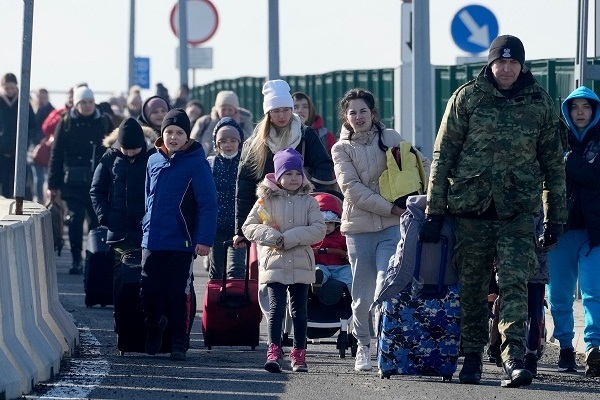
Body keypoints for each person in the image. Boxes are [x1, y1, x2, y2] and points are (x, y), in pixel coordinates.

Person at [420, 35, 566, 387]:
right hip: (471, 210)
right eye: (500, 62)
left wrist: (556, 216)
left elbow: (553, 164)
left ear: (522, 65)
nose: (506, 69)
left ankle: (514, 358)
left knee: (515, 283)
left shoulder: (539, 102)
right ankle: (471, 356)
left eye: (513, 63)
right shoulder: (467, 97)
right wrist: (434, 210)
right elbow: (443, 156)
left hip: (517, 212)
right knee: (472, 288)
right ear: (490, 63)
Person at [331, 88, 430, 372]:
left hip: (391, 227)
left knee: (387, 283)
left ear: (373, 113)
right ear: (346, 117)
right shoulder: (341, 149)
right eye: (352, 113)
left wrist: (436, 187)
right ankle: (363, 344)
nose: (358, 117)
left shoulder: (391, 138)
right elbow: (352, 190)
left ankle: (387, 345)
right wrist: (392, 208)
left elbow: (420, 165)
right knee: (361, 294)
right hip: (359, 229)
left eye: (363, 111)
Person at [140, 108, 217, 361]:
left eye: (179, 132)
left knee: (177, 293)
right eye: (169, 132)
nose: (173, 137)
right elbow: (148, 198)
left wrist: (204, 239)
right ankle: (153, 325)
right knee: (148, 291)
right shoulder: (153, 160)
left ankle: (179, 342)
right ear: (162, 134)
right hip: (153, 239)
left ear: (187, 136)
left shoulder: (197, 163)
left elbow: (208, 203)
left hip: (182, 241)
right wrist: (145, 226)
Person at [242, 147, 326, 373]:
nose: (293, 178)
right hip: (274, 262)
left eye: (297, 173)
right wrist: (271, 237)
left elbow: (319, 229)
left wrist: (289, 238)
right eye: (288, 174)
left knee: (300, 310)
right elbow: (249, 226)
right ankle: (274, 350)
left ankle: (299, 354)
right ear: (278, 176)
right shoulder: (265, 201)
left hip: (300, 262)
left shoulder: (309, 202)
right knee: (276, 309)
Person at [234, 79, 336, 249]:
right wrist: (240, 230)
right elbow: (244, 187)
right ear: (268, 113)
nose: (281, 116)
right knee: (269, 269)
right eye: (276, 111)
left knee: (300, 265)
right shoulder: (255, 143)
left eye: (286, 110)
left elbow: (324, 165)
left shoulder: (305, 135)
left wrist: (312, 195)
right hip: (268, 218)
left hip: (300, 215)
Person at [546, 86, 600, 378]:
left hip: (595, 233)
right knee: (560, 294)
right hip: (561, 230)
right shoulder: (555, 138)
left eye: (587, 107)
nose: (581, 112)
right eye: (575, 107)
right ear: (567, 111)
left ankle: (594, 348)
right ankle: (566, 346)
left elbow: (593, 176)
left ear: (594, 111)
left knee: (595, 292)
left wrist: (568, 162)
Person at [47, 85, 114, 274]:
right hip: (72, 183)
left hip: (98, 181)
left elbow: (114, 149)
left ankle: (94, 258)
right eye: (83, 102)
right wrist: (53, 184)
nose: (87, 106)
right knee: (75, 220)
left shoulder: (103, 121)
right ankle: (76, 258)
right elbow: (56, 153)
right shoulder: (66, 122)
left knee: (96, 222)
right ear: (76, 104)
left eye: (90, 101)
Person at [90, 118, 155, 276]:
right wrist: (106, 217)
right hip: (119, 230)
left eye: (135, 149)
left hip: (147, 229)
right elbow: (97, 190)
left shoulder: (153, 158)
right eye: (126, 149)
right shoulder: (109, 159)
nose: (130, 153)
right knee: (123, 273)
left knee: (146, 274)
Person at [207, 117, 246, 280]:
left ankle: (236, 303)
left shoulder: (245, 164)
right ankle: (215, 303)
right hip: (216, 227)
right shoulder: (210, 164)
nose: (228, 145)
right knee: (216, 270)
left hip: (239, 228)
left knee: (236, 271)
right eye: (223, 141)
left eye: (232, 140)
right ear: (217, 144)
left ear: (240, 142)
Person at [0, 72, 39, 199]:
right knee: (3, 184)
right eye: (7, 88)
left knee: (20, 184)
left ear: (16, 86)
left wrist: (29, 140)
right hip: (1, 151)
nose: (10, 91)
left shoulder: (23, 102)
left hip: (19, 152)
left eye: (12, 87)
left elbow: (33, 125)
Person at [310, 192, 352, 293]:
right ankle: (317, 281)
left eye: (330, 223)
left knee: (349, 274)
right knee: (317, 270)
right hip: (320, 264)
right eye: (324, 224)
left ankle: (355, 297)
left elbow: (348, 248)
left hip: (339, 266)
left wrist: (348, 254)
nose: (327, 227)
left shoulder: (341, 236)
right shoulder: (312, 236)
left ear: (336, 223)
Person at [190, 90, 253, 156]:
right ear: (217, 109)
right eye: (223, 109)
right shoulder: (204, 122)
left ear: (235, 110)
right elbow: (192, 144)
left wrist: (237, 126)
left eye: (230, 109)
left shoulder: (244, 122)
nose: (226, 113)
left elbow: (249, 144)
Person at [292, 92, 336, 156]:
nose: (300, 110)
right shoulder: (282, 134)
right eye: (295, 107)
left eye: (305, 107)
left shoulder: (326, 136)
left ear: (311, 110)